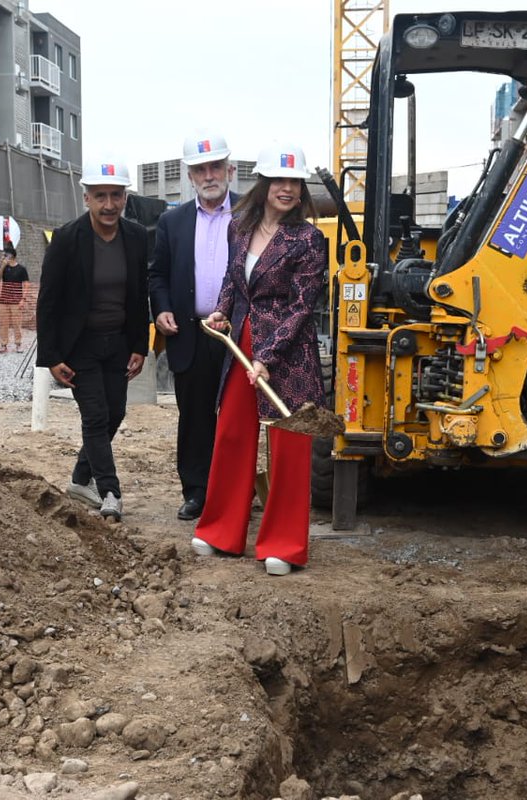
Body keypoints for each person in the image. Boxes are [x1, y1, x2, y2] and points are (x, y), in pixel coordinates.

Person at [192, 142, 326, 576]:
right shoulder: (240, 226)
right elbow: (235, 279)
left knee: (289, 444)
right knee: (232, 433)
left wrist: (267, 356)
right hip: (243, 342)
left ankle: (284, 545)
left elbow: (302, 306)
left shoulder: (309, 239)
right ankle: (220, 532)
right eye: (279, 181)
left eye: (294, 182)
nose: (287, 189)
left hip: (290, 352)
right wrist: (220, 310)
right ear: (264, 184)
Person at [36, 157, 149, 522]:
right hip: (79, 344)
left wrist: (138, 345)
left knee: (115, 412)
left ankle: (80, 479)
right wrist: (51, 356)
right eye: (100, 196)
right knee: (96, 416)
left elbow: (138, 295)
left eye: (116, 195)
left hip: (117, 342)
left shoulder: (135, 237)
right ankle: (110, 490)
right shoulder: (67, 238)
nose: (109, 205)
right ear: (86, 198)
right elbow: (48, 300)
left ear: (125, 198)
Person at [149, 130, 238, 521]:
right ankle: (196, 491)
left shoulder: (251, 217)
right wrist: (161, 309)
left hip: (238, 333)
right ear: (189, 176)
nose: (208, 175)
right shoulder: (172, 222)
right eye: (200, 169)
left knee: (236, 417)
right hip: (192, 331)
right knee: (195, 416)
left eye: (215, 166)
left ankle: (234, 492)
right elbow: (158, 275)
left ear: (229, 170)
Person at [0, 246, 29, 353]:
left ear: (11, 256)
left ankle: (18, 344)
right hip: (4, 299)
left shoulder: (21, 269)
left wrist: (23, 299)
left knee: (16, 323)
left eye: (5, 255)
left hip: (16, 300)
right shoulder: (3, 267)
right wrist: (3, 265)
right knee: (3, 323)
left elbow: (26, 285)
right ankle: (3, 345)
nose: (3, 257)